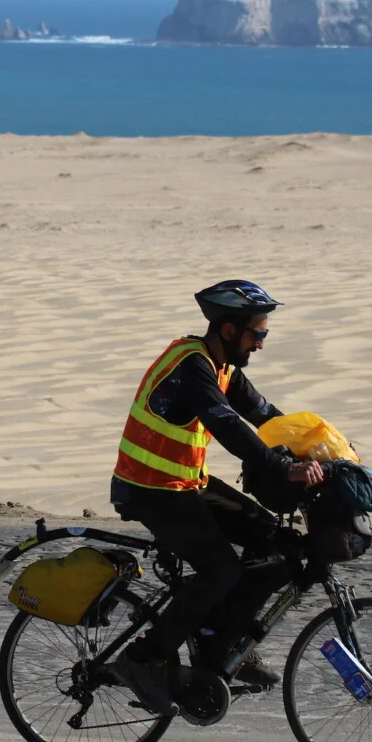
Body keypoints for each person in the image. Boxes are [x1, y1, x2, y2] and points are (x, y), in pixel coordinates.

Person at [108, 280, 324, 716]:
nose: (262, 344)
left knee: (270, 538)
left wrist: (326, 448)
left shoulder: (224, 367)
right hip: (149, 488)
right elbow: (226, 424)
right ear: (228, 330)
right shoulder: (193, 366)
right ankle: (142, 658)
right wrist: (281, 467)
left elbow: (266, 417)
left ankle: (221, 641)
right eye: (258, 334)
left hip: (186, 485)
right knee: (220, 568)